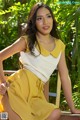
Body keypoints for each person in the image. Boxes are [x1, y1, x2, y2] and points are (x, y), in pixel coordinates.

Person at [0, 2, 80, 120]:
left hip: (36, 96)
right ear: (34, 22)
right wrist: (3, 82)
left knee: (55, 113)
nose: (45, 22)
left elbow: (64, 77)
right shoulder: (27, 41)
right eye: (39, 18)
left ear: (53, 19)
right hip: (17, 89)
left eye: (48, 16)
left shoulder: (60, 45)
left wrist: (72, 107)